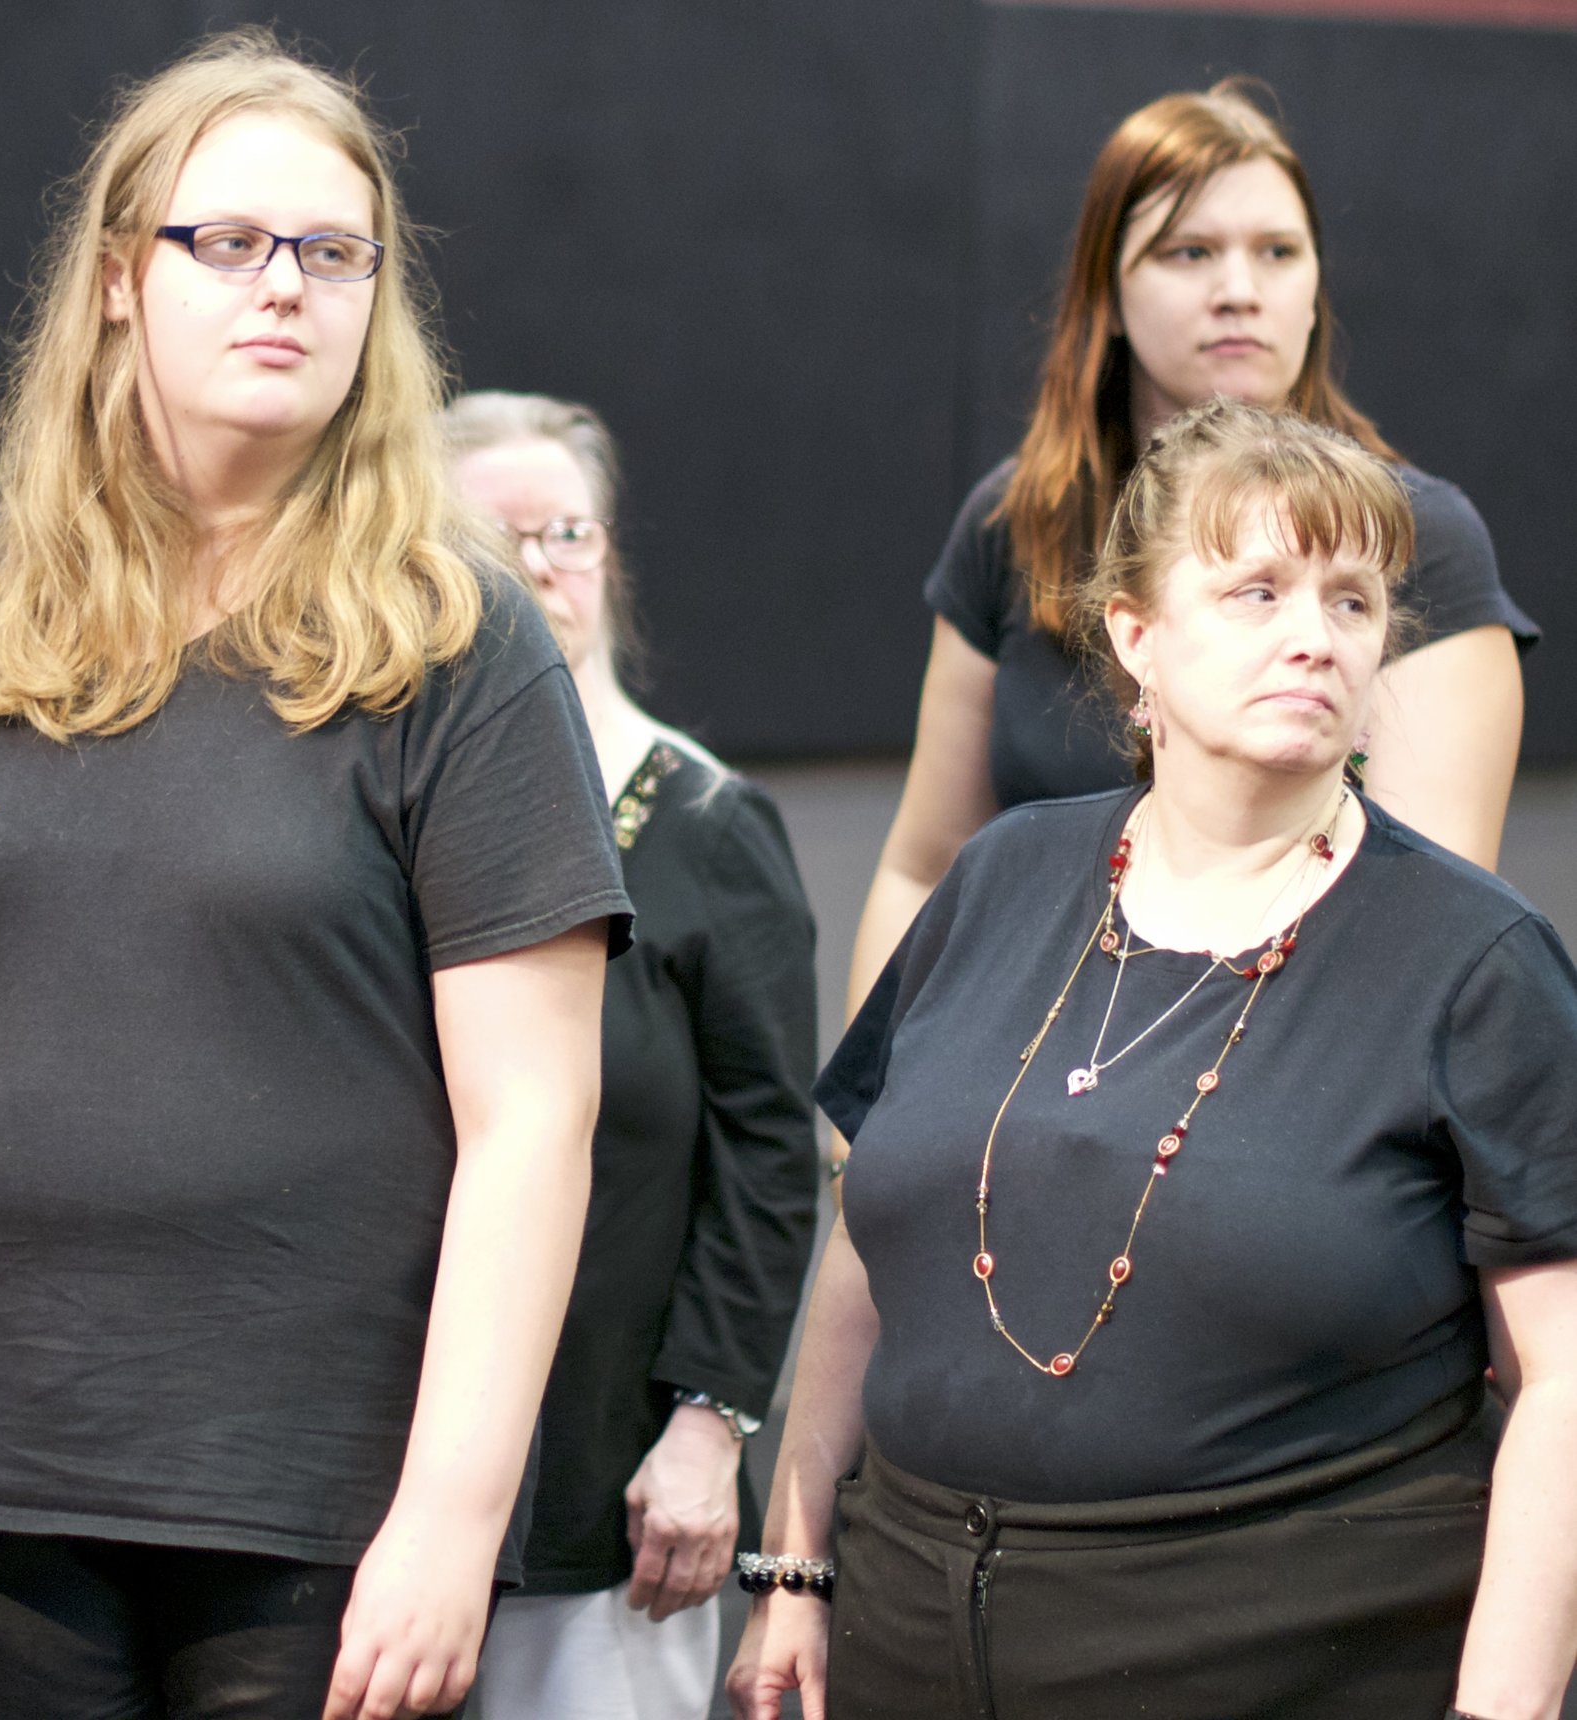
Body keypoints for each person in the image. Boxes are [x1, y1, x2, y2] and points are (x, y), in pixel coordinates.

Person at [0, 30, 632, 1720]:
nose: (284, 289)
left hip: (318, 1502)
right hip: (5, 1471)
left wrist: (453, 1519)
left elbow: (535, 1122)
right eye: (228, 242)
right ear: (116, 279)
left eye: (331, 253)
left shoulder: (462, 642)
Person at [728, 399, 1577, 1720]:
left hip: (1287, 1660)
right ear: (1135, 635)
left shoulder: (1472, 960)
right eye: (1258, 592)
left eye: (1354, 604)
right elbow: (870, 1232)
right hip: (908, 1642)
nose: (1316, 636)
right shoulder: (1003, 876)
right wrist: (795, 1565)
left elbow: (1567, 1389)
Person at [846, 80, 1539, 1080]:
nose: (1239, 290)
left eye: (1277, 252)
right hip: (1009, 1089)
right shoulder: (1020, 521)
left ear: (1312, 290)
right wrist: (870, 1139)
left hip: (1283, 1101)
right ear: (1107, 292)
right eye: (1189, 252)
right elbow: (920, 868)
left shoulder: (1415, 535)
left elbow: (1419, 933)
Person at [444, 390, 820, 1718]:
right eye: (500, 544)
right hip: (375, 1489)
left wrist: (709, 1430)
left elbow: (770, 1157)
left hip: (613, 1493)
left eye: (570, 534)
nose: (543, 570)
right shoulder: (377, 819)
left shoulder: (709, 821)